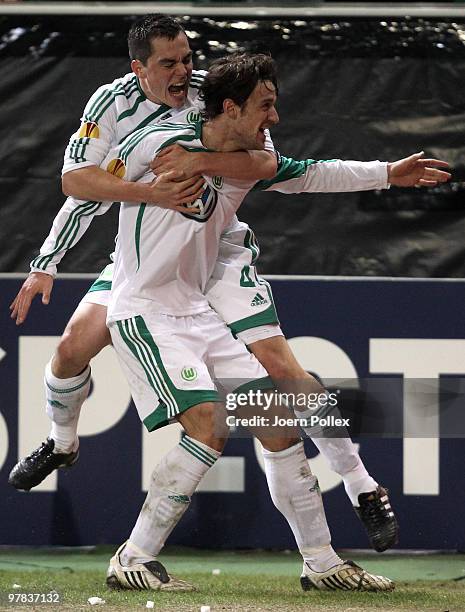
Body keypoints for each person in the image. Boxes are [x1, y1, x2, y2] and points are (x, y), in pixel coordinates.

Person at [8, 13, 449, 553]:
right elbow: (79, 184)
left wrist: (207, 160)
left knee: (282, 375)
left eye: (189, 59)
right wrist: (47, 262)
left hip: (216, 256)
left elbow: (275, 163)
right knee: (74, 347)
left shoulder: (212, 98)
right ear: (137, 68)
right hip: (148, 264)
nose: (183, 72)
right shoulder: (121, 113)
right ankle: (63, 445)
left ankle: (358, 493)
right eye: (168, 63)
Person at [94, 52, 396, 593]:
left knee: (279, 420)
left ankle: (322, 563)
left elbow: (310, 174)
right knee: (210, 426)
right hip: (146, 310)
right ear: (230, 107)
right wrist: (143, 191)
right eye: (266, 106)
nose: (274, 119)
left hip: (198, 313)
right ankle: (132, 557)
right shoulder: (153, 141)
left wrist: (391, 174)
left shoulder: (251, 152)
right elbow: (81, 181)